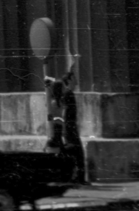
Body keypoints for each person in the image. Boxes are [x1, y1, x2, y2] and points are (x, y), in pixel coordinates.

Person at [43, 55, 85, 183]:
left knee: (74, 154)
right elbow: (64, 112)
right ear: (69, 81)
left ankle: (75, 177)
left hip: (68, 129)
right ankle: (77, 178)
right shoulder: (68, 94)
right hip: (70, 130)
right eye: (74, 79)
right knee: (76, 154)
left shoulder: (66, 95)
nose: (76, 81)